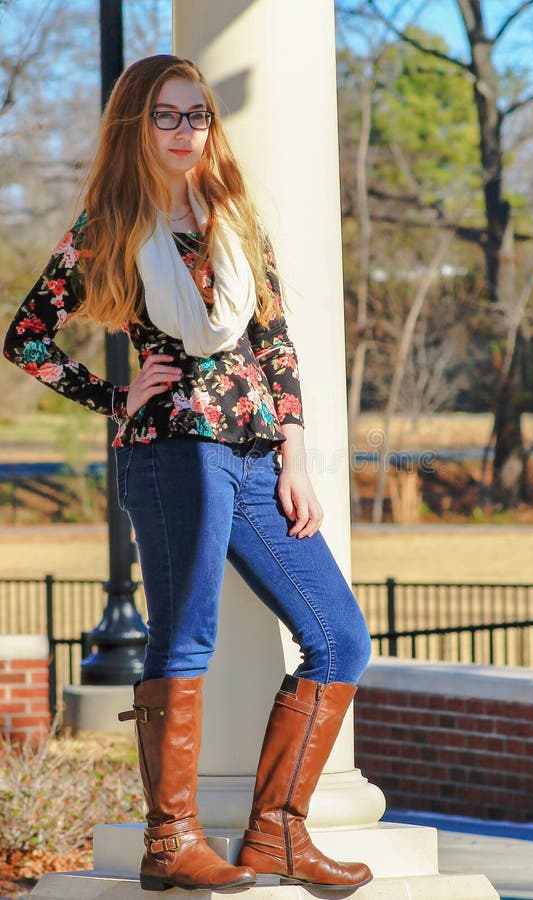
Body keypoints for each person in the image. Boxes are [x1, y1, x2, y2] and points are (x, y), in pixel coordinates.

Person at [3, 55, 372, 894]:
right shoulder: (112, 221)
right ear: (138, 124)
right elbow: (25, 338)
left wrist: (293, 453)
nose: (184, 131)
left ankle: (278, 833)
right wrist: (114, 395)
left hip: (255, 457)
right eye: (167, 116)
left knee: (339, 637)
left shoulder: (233, 216)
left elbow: (272, 343)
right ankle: (170, 841)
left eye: (196, 115)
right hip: (171, 451)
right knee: (184, 640)